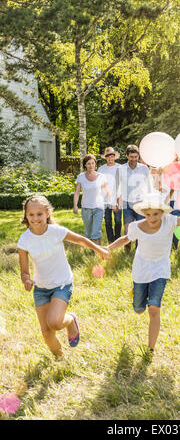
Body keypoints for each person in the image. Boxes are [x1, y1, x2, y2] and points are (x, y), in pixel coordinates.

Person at [106, 188, 180, 357]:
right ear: (143, 213)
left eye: (156, 214)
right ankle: (137, 294)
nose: (152, 218)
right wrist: (108, 248)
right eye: (149, 214)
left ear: (162, 213)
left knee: (154, 308)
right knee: (138, 309)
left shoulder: (170, 221)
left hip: (160, 269)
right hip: (141, 270)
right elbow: (125, 239)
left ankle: (150, 349)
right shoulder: (137, 226)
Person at [17, 195, 109, 358]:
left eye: (39, 214)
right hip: (41, 288)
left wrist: (99, 249)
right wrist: (26, 280)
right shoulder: (24, 240)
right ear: (26, 216)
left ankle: (71, 320)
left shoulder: (56, 232)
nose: (35, 218)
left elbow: (81, 240)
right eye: (31, 214)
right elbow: (24, 271)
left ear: (47, 213)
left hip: (61, 284)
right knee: (46, 332)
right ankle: (60, 359)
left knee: (54, 322)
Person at [115, 145, 154, 252]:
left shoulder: (144, 168)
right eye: (131, 157)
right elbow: (116, 186)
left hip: (141, 203)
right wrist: (116, 201)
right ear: (127, 156)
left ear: (138, 156)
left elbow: (149, 185)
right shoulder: (120, 169)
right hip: (127, 204)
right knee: (128, 230)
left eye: (136, 157)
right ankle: (127, 248)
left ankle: (138, 251)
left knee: (141, 229)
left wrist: (151, 201)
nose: (134, 159)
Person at [74, 153, 110, 245]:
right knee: (88, 233)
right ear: (85, 165)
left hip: (98, 207)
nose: (91, 165)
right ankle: (90, 250)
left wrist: (112, 202)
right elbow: (77, 192)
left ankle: (98, 252)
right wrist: (75, 206)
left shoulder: (101, 176)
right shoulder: (81, 177)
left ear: (95, 164)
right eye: (88, 163)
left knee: (96, 232)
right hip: (86, 208)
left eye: (93, 163)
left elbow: (107, 191)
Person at [98, 147, 122, 244]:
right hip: (105, 199)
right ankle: (111, 241)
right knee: (108, 221)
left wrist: (119, 199)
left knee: (118, 220)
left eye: (112, 156)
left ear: (114, 157)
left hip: (117, 198)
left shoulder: (120, 168)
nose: (110, 158)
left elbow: (122, 183)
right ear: (105, 158)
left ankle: (118, 239)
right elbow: (99, 184)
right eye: (108, 157)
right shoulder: (101, 169)